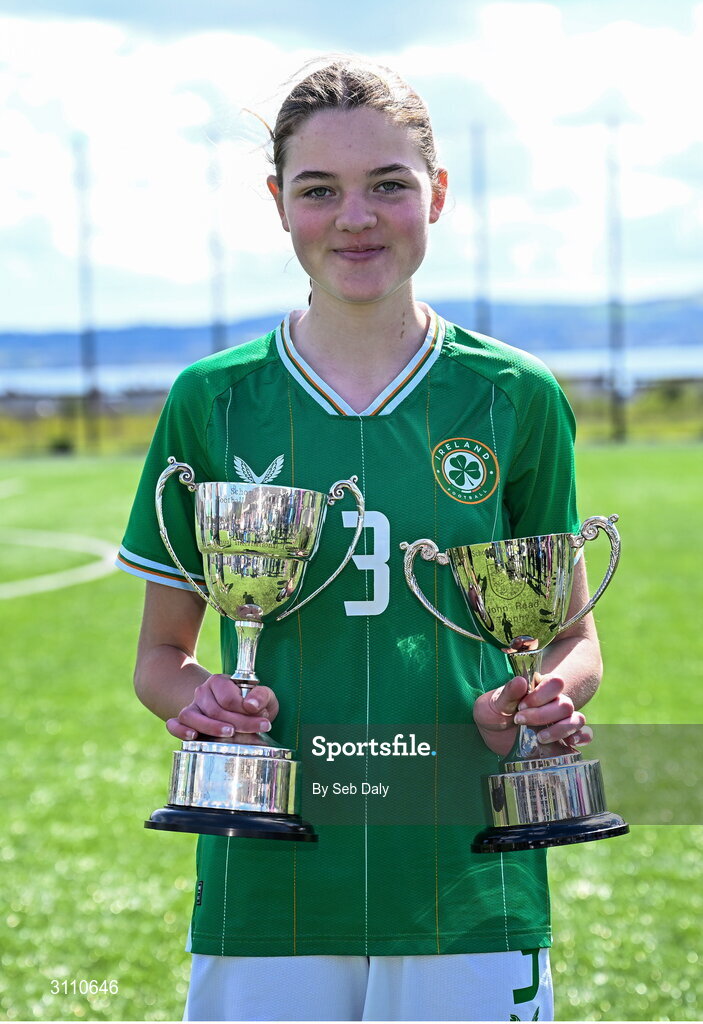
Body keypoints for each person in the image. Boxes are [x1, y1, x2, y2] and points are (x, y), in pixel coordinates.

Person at [118, 57, 601, 1022]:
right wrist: (203, 699)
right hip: (273, 873)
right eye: (319, 190)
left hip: (466, 869)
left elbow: (572, 637)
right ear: (278, 203)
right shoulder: (212, 400)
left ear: (438, 194)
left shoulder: (514, 395)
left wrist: (545, 697)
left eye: (388, 184)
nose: (356, 217)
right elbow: (158, 658)